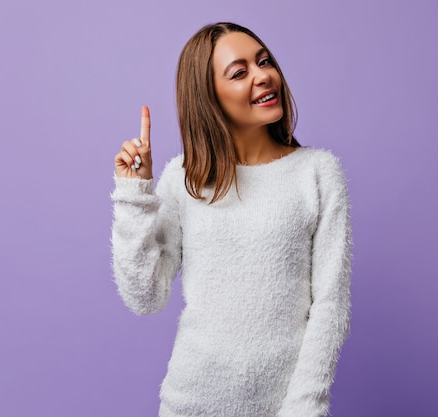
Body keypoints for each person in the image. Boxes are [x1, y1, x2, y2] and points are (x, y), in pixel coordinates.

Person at [111, 22, 352, 417]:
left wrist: (305, 407)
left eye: (264, 61)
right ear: (210, 97)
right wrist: (134, 195)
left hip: (284, 408)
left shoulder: (318, 173)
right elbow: (145, 297)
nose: (263, 76)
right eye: (240, 73)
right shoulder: (185, 177)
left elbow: (329, 305)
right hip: (189, 403)